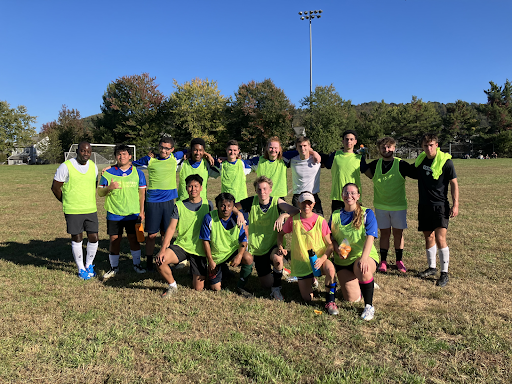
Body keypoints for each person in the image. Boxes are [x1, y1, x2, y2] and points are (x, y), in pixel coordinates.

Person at [235, 176, 300, 300]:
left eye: (265, 189)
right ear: (255, 191)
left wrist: (284, 215)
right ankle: (281, 272)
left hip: (273, 245)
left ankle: (277, 289)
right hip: (258, 249)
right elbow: (232, 206)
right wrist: (239, 213)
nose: (262, 192)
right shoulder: (251, 201)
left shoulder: (277, 202)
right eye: (259, 189)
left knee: (277, 259)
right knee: (266, 284)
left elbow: (296, 210)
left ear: (270, 190)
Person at [277, 192, 338, 315]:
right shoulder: (293, 220)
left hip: (319, 260)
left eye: (309, 202)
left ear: (314, 204)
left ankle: (330, 301)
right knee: (307, 299)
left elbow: (330, 245)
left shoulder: (320, 221)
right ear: (299, 203)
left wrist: (322, 258)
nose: (306, 205)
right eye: (303, 202)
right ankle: (311, 279)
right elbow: (280, 234)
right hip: (301, 263)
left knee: (331, 270)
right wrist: (280, 246)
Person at [131, 136, 186, 271]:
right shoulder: (150, 159)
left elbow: (189, 150)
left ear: (172, 149)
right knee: (151, 235)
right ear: (158, 146)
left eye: (167, 148)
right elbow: (129, 164)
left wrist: (208, 154)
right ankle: (149, 262)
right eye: (161, 147)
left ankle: (163, 259)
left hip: (169, 202)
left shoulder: (175, 157)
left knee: (165, 233)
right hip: (153, 201)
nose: (164, 150)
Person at [155, 174, 214, 296]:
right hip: (182, 245)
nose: (193, 189)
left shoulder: (208, 205)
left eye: (196, 186)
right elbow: (171, 228)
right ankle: (172, 285)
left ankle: (196, 270)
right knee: (161, 261)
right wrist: (163, 249)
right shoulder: (179, 205)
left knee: (198, 288)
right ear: (186, 188)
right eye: (190, 186)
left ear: (201, 188)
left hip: (200, 249)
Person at [412, 133, 459, 287]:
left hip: (440, 205)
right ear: (422, 147)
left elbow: (454, 183)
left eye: (431, 145)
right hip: (424, 205)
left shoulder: (446, 162)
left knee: (440, 239)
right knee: (428, 237)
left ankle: (444, 273)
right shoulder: (420, 161)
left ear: (437, 145)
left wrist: (456, 204)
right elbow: (409, 171)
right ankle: (432, 268)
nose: (429, 148)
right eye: (425, 145)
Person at [329, 183, 379, 321]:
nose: (349, 195)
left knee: (362, 268)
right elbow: (330, 237)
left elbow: (371, 236)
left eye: (352, 193)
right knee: (351, 299)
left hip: (362, 256)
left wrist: (364, 258)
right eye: (346, 192)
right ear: (342, 195)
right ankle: (363, 283)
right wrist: (336, 248)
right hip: (343, 260)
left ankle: (369, 306)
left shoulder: (366, 213)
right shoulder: (335, 215)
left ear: (358, 196)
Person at [364, 137, 415, 273]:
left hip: (398, 206)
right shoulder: (375, 164)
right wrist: (360, 156)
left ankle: (399, 261)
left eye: (389, 147)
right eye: (383, 147)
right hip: (381, 206)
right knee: (384, 234)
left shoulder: (401, 164)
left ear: (394, 148)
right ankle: (383, 261)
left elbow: (415, 173)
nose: (386, 150)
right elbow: (364, 170)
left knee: (398, 234)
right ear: (379, 149)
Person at [51, 141, 99, 280]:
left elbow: (93, 185)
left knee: (94, 237)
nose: (86, 154)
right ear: (77, 151)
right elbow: (55, 188)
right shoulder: (66, 166)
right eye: (83, 151)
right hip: (73, 209)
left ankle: (89, 264)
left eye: (88, 151)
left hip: (90, 208)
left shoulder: (93, 167)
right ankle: (81, 268)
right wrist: (66, 201)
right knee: (77, 238)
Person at [98, 144, 147, 279]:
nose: (122, 156)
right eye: (119, 154)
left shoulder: (138, 173)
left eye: (124, 154)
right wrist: (109, 188)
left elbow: (142, 194)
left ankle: (137, 265)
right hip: (114, 213)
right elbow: (100, 192)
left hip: (132, 213)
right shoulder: (108, 173)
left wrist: (142, 212)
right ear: (115, 157)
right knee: (114, 240)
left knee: (134, 239)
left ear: (130, 156)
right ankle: (114, 267)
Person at [200, 193, 253, 293]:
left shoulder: (237, 218)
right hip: (217, 256)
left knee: (248, 258)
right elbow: (205, 241)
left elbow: (243, 240)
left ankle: (240, 286)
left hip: (232, 251)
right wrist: (210, 260)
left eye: (229, 206)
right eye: (222, 205)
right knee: (216, 289)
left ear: (233, 207)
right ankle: (222, 268)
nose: (226, 209)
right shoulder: (209, 218)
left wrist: (240, 255)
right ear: (217, 206)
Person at [320, 130, 368, 212]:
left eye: (351, 139)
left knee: (356, 223)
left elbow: (369, 173)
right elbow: (326, 164)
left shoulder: (359, 158)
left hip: (354, 197)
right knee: (337, 223)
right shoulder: (335, 155)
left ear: (355, 142)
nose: (349, 141)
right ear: (343, 141)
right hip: (338, 197)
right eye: (346, 139)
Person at [290, 136, 323, 215]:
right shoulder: (292, 160)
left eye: (305, 146)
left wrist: (314, 153)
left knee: (320, 221)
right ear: (297, 148)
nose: (302, 148)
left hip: (313, 195)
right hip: (298, 196)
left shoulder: (317, 159)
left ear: (309, 146)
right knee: (299, 223)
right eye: (300, 146)